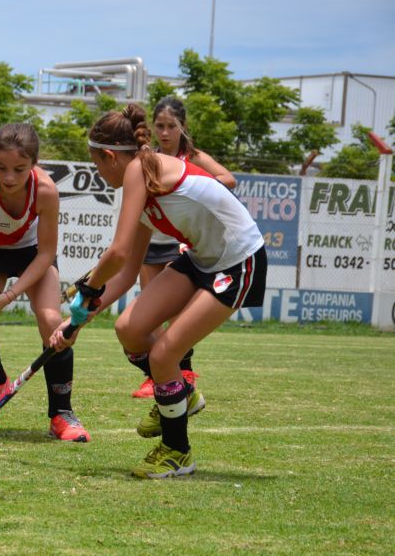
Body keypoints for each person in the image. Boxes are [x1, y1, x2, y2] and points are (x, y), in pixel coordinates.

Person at [52, 104, 266, 478]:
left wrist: (86, 289)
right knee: (129, 329)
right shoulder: (145, 177)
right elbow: (128, 269)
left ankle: (177, 452)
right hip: (202, 259)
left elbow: (115, 253)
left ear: (108, 156)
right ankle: (180, 392)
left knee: (165, 353)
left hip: (239, 260)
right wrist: (77, 322)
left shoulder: (138, 169)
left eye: (98, 166)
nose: (100, 175)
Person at [0, 123, 90, 443]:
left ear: (34, 164)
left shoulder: (45, 190)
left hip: (32, 256)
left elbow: (46, 253)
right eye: (1, 167)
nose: (9, 177)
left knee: (53, 322)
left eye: (19, 169)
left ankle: (61, 413)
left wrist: (11, 294)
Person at [128, 96, 237, 399]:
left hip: (180, 245)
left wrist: (196, 188)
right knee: (149, 313)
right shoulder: (147, 158)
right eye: (159, 126)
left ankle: (183, 370)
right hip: (151, 242)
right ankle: (155, 375)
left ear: (182, 127)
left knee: (176, 317)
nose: (164, 132)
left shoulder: (194, 157)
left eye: (170, 126)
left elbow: (229, 179)